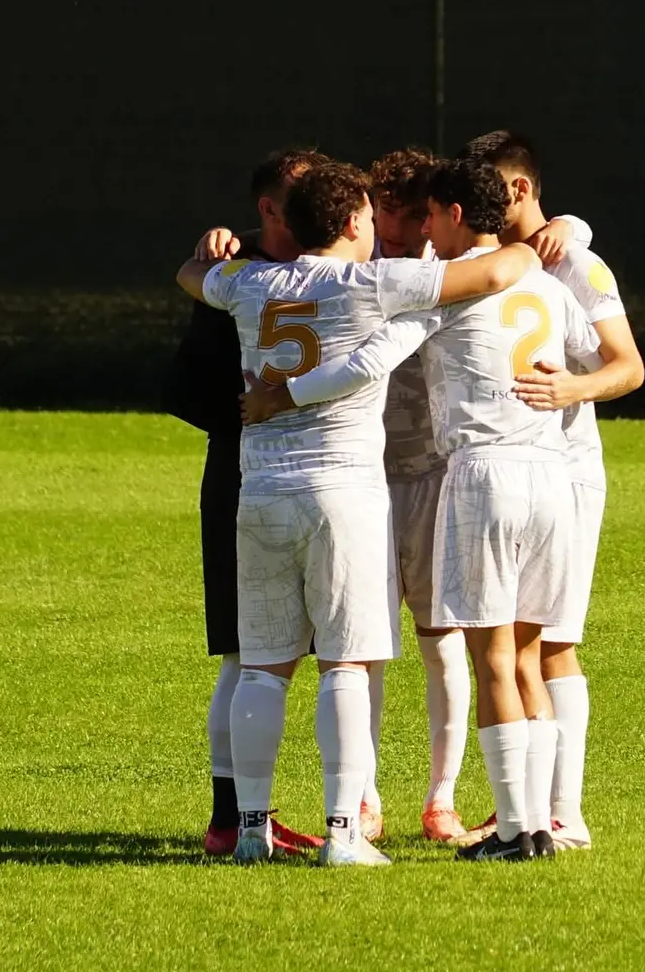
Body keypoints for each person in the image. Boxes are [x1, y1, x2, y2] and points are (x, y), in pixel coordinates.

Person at [176, 161, 544, 866]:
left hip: (260, 493)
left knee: (260, 667)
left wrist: (209, 259)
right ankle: (344, 833)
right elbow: (497, 273)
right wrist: (546, 235)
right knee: (346, 664)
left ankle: (250, 830)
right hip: (342, 495)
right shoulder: (370, 282)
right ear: (350, 224)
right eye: (371, 219)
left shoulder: (251, 282)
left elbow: (193, 278)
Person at [458, 131, 645, 850]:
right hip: (518, 467)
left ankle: (561, 811)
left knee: (552, 644)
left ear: (521, 190)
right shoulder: (507, 262)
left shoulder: (576, 263)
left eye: (494, 188)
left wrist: (576, 385)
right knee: (529, 645)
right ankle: (539, 810)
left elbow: (627, 366)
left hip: (565, 470)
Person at [162, 148, 329, 859]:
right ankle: (231, 818)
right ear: (266, 209)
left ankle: (257, 817)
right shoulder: (233, 279)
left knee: (315, 654)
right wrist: (256, 416)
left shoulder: (334, 264)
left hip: (321, 481)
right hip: (242, 477)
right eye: (301, 196)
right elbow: (186, 393)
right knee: (244, 653)